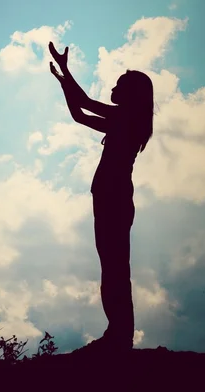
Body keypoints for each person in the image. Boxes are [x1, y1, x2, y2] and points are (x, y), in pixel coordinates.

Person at [49, 41, 154, 354]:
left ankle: (120, 337)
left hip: (115, 198)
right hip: (110, 197)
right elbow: (78, 115)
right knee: (112, 267)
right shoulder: (124, 120)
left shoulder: (128, 119)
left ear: (132, 94)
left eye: (120, 85)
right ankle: (118, 333)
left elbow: (83, 102)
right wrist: (62, 81)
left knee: (115, 268)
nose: (113, 87)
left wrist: (67, 72)